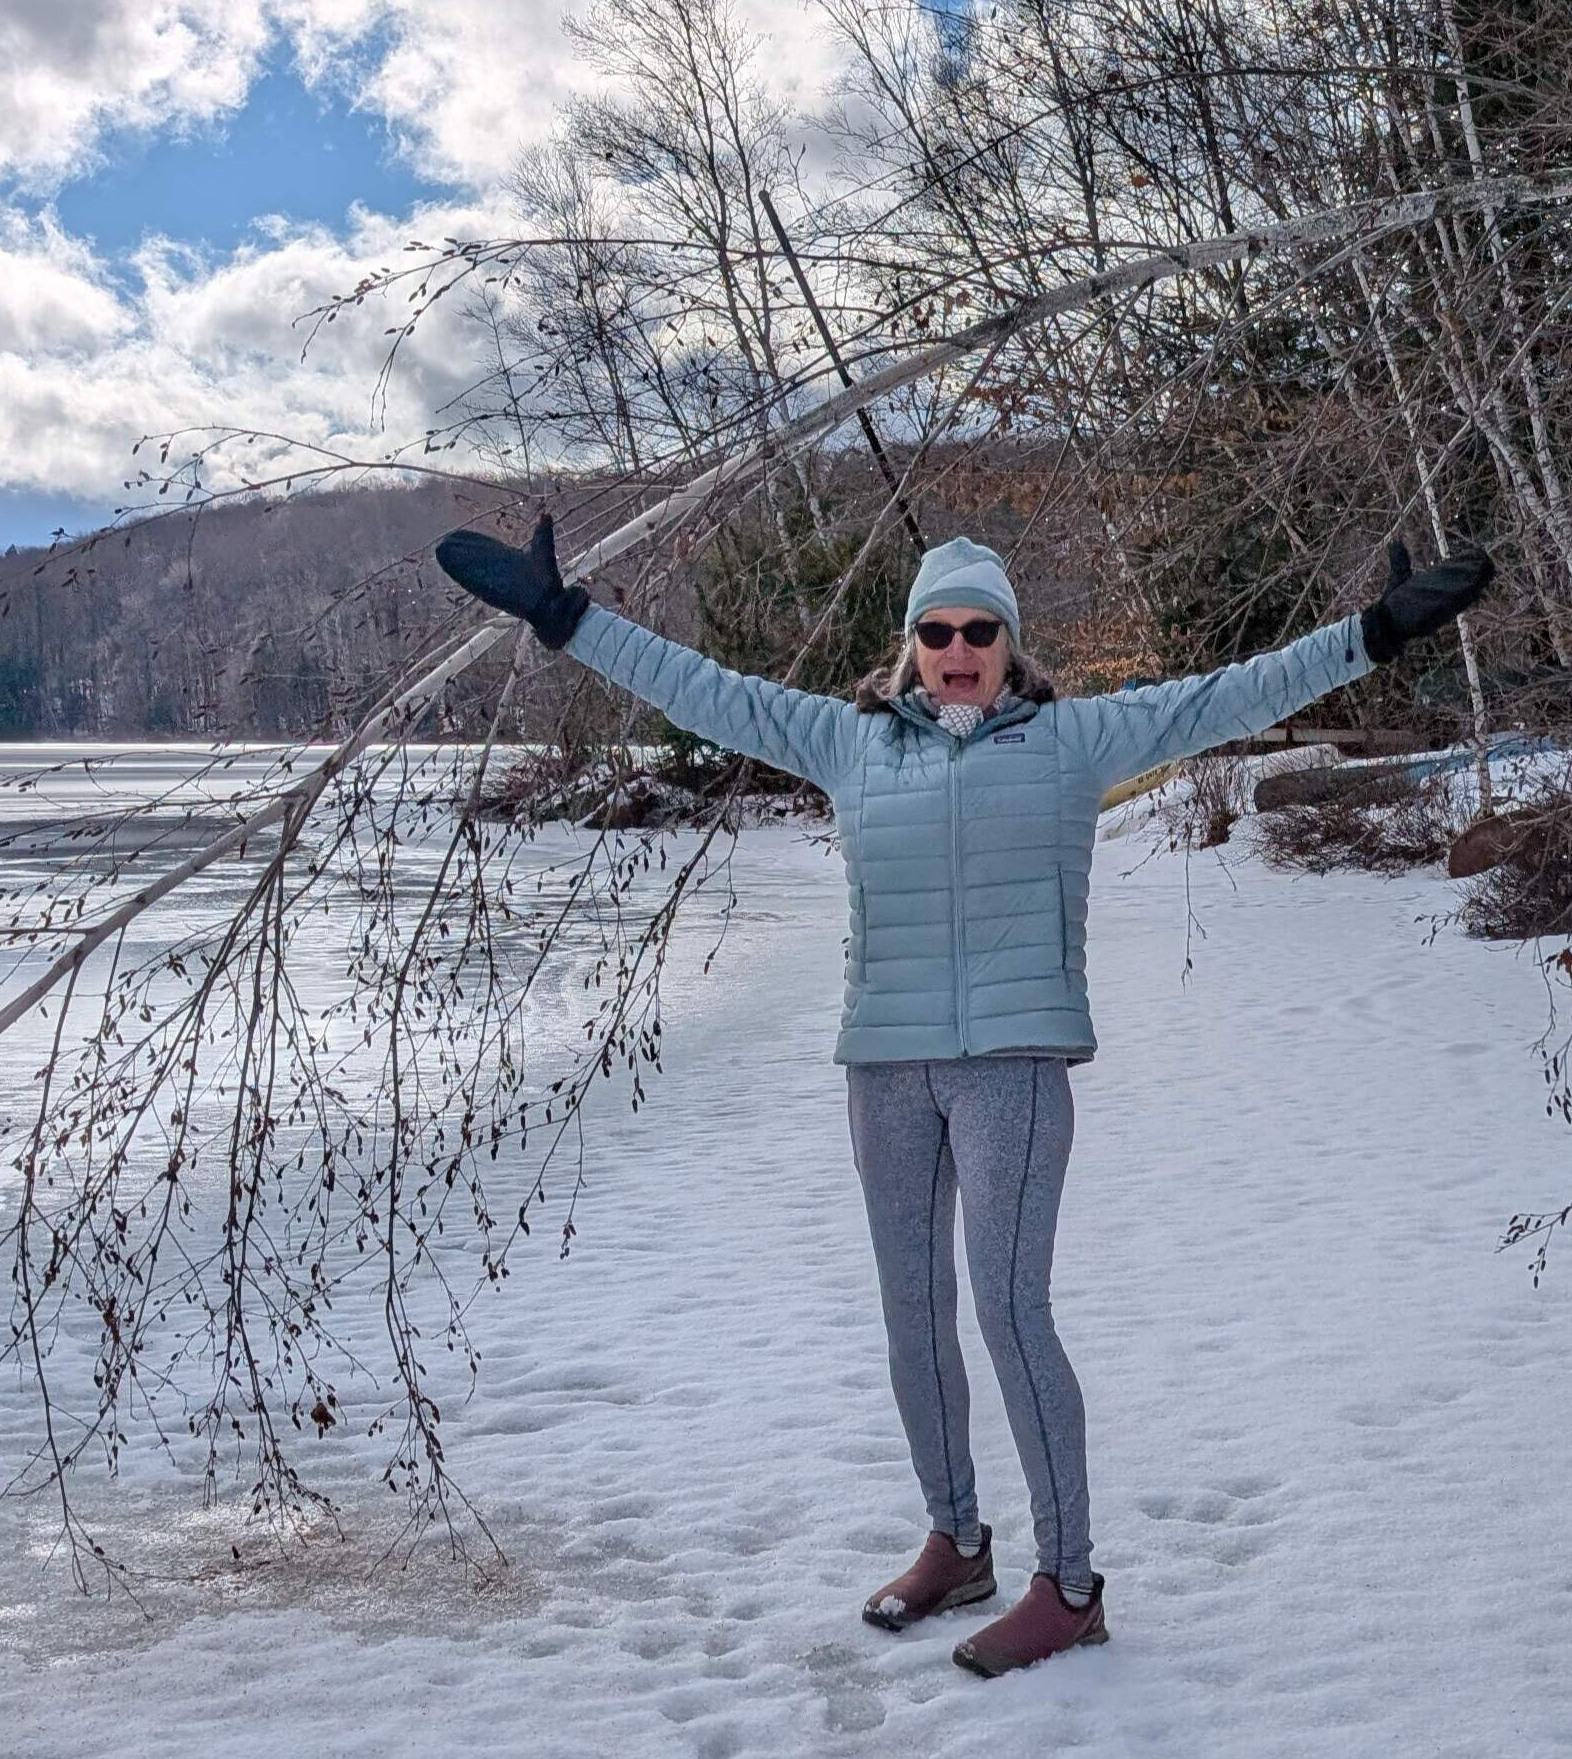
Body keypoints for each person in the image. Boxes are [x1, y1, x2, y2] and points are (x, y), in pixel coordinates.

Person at [434, 518, 1492, 1676]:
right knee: (912, 1311)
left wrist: (1374, 635)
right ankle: (958, 1540)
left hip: (1013, 1068)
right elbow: (704, 692)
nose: (956, 649)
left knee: (1009, 1310)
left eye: (978, 630)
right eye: (935, 631)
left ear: (1008, 642)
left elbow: (1232, 695)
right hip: (886, 1065)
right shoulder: (847, 742)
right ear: (910, 645)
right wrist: (567, 619)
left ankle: (1070, 1586)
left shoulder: (1074, 741)